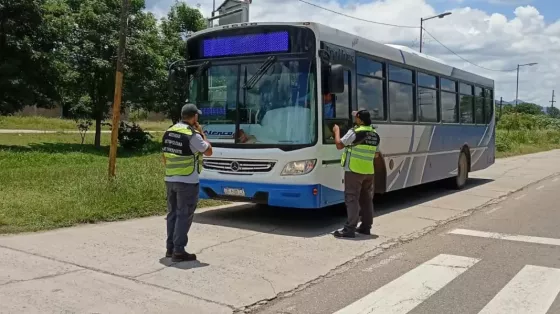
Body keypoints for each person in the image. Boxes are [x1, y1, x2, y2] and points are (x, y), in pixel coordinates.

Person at [161, 103, 213, 262]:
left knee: (173, 214)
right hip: (187, 181)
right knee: (184, 215)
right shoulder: (192, 134)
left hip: (170, 179)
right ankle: (179, 251)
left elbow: (164, 156)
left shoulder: (169, 131)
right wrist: (201, 132)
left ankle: (170, 249)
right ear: (194, 117)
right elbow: (209, 151)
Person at [332, 109, 380, 238]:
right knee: (366, 200)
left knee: (351, 199)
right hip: (369, 172)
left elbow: (339, 145)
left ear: (360, 119)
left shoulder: (354, 132)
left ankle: (349, 229)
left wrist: (336, 131)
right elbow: (376, 154)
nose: (354, 119)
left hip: (354, 170)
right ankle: (366, 227)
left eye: (356, 118)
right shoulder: (375, 134)